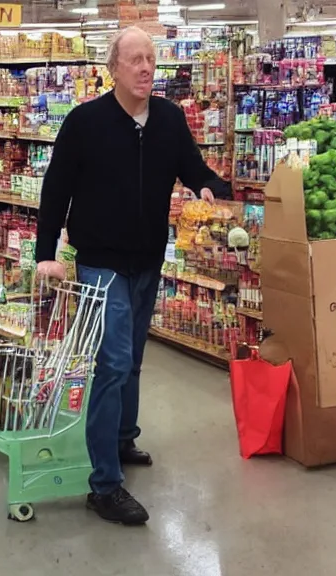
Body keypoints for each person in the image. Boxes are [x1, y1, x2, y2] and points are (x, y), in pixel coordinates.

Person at [35, 27, 230, 526]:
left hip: (148, 257)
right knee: (114, 362)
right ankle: (103, 486)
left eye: (151, 59)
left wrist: (210, 187)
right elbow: (56, 190)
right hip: (100, 258)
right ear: (114, 68)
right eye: (136, 60)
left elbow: (193, 168)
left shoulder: (168, 117)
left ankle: (122, 439)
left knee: (134, 360)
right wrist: (45, 254)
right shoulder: (85, 122)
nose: (146, 68)